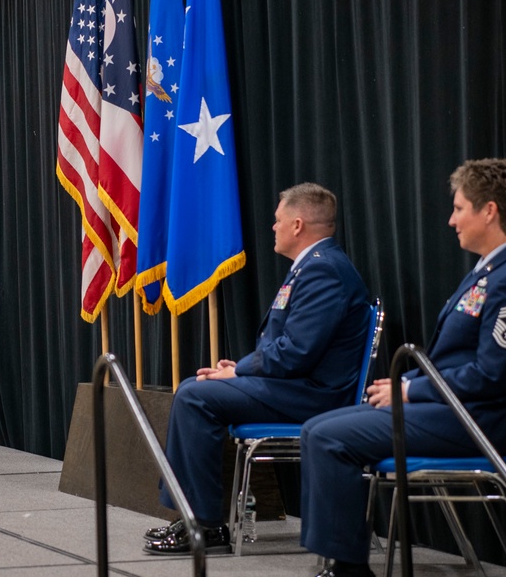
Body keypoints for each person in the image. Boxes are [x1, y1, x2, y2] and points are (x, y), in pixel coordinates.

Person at [280, 158, 506, 577]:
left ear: (489, 211)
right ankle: (338, 564)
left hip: (479, 422)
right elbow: (451, 361)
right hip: (451, 410)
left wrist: (409, 391)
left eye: (460, 208)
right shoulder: (490, 272)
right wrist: (401, 382)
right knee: (322, 425)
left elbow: (491, 375)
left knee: (328, 436)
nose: (451, 219)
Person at [144, 183, 370, 555]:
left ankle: (202, 524)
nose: (273, 227)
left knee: (196, 396)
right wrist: (244, 369)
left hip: (315, 396)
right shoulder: (312, 267)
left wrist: (241, 373)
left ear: (298, 225)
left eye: (278, 220)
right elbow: (289, 345)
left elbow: (296, 352)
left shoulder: (324, 271)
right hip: (296, 386)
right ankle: (194, 518)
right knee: (193, 388)